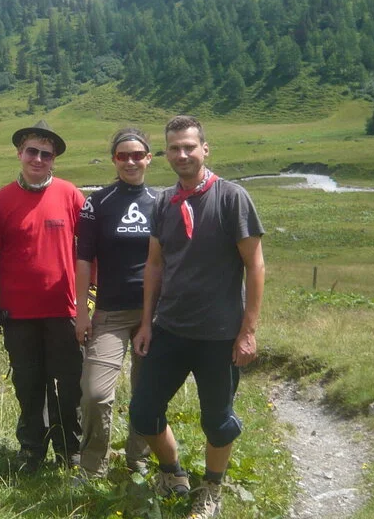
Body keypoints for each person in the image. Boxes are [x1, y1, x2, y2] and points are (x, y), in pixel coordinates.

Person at [129, 115, 266, 519]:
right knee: (143, 411)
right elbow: (155, 265)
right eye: (174, 147)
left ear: (205, 149)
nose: (182, 154)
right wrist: (146, 322)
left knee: (218, 421)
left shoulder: (231, 198)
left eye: (190, 146)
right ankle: (173, 474)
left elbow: (255, 266)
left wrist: (248, 332)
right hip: (170, 329)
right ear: (166, 154)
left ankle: (213, 487)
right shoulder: (163, 203)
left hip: (219, 335)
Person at [0, 119, 84, 474]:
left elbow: (87, 250)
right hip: (17, 313)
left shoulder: (71, 195)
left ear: (54, 159)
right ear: (19, 153)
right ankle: (31, 449)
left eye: (46, 153)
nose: (38, 159)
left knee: (69, 384)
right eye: (32, 151)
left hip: (64, 309)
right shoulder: (0, 201)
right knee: (29, 384)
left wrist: (91, 297)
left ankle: (70, 449)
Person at [74, 127, 156, 480]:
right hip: (109, 311)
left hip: (152, 313)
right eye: (123, 156)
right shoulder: (98, 202)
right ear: (114, 160)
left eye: (138, 155)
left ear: (149, 158)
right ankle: (93, 464)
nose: (131, 161)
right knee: (94, 394)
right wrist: (81, 312)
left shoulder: (162, 201)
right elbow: (82, 261)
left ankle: (138, 460)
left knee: (147, 390)